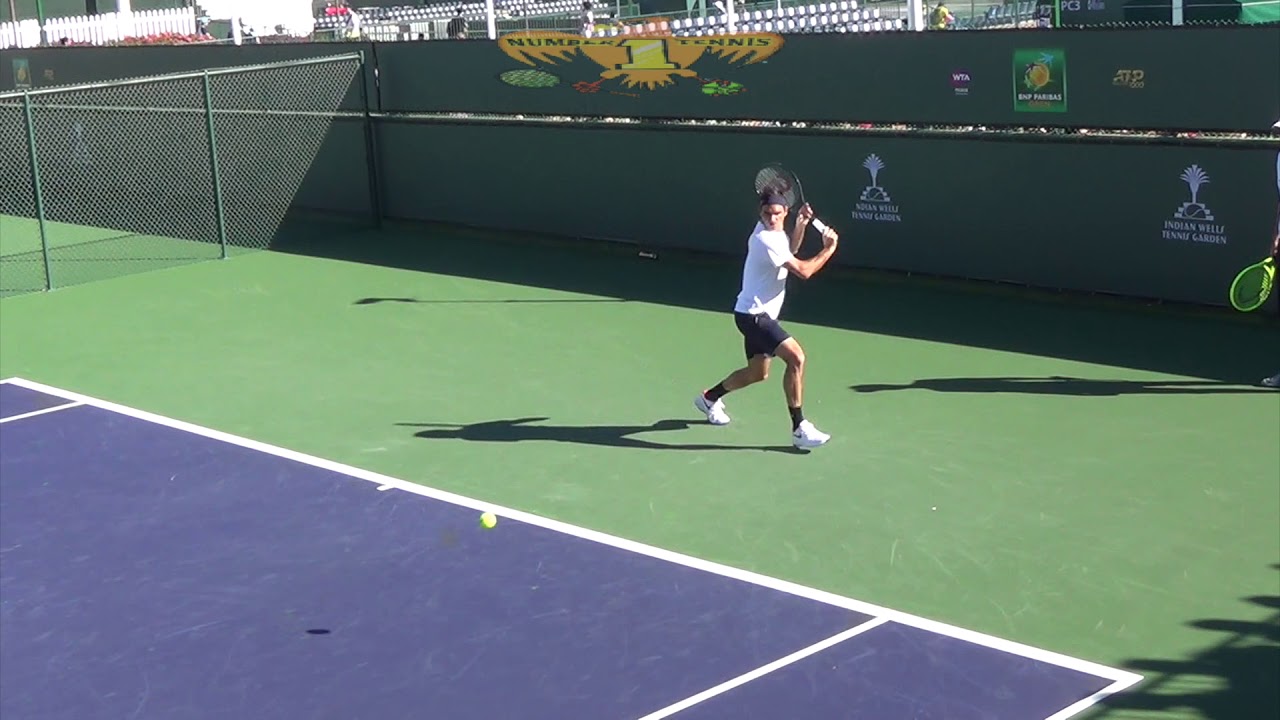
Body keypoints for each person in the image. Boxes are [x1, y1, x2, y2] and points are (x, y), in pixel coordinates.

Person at [694, 191, 840, 449]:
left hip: (752, 314)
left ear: (786, 212)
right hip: (754, 316)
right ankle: (799, 428)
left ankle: (709, 398)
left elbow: (789, 251)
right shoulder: (764, 238)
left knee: (757, 373)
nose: (771, 218)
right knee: (796, 358)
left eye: (777, 213)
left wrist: (800, 226)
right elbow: (803, 271)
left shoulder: (776, 235)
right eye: (766, 214)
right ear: (760, 214)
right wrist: (829, 248)